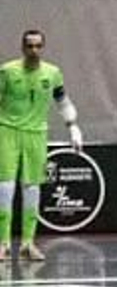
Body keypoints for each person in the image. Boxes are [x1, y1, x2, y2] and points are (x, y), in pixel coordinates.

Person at [0, 30, 84, 262]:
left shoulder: (52, 73)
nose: (34, 51)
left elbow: (62, 101)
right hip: (7, 131)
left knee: (32, 187)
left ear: (42, 48)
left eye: (38, 46)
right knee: (5, 187)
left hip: (36, 134)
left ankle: (28, 244)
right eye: (30, 46)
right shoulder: (7, 72)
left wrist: (73, 126)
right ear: (23, 48)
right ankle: (3, 243)